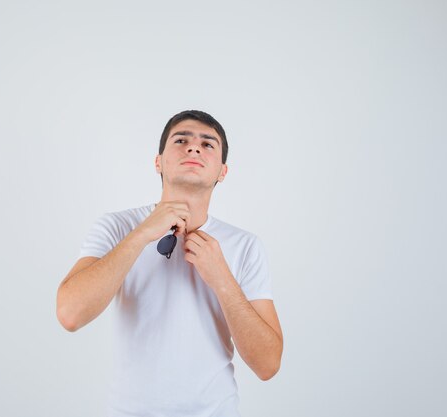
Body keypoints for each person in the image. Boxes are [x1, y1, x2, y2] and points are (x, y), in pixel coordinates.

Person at [56, 110, 283, 417]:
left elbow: (268, 365)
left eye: (208, 144)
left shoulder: (245, 246)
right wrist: (141, 235)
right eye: (181, 140)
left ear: (222, 172)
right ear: (158, 162)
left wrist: (222, 279)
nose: (194, 148)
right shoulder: (118, 227)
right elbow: (70, 314)